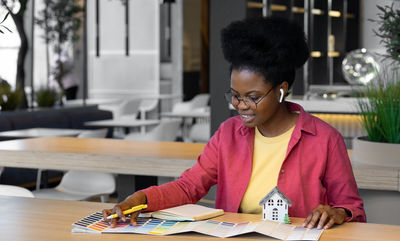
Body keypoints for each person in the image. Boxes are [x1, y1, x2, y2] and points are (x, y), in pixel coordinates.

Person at [103, 16, 366, 229]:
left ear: (282, 90)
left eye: (252, 97)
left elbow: (353, 208)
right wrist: (141, 198)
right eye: (235, 95)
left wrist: (338, 212)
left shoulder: (324, 138)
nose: (240, 105)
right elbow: (189, 186)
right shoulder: (228, 133)